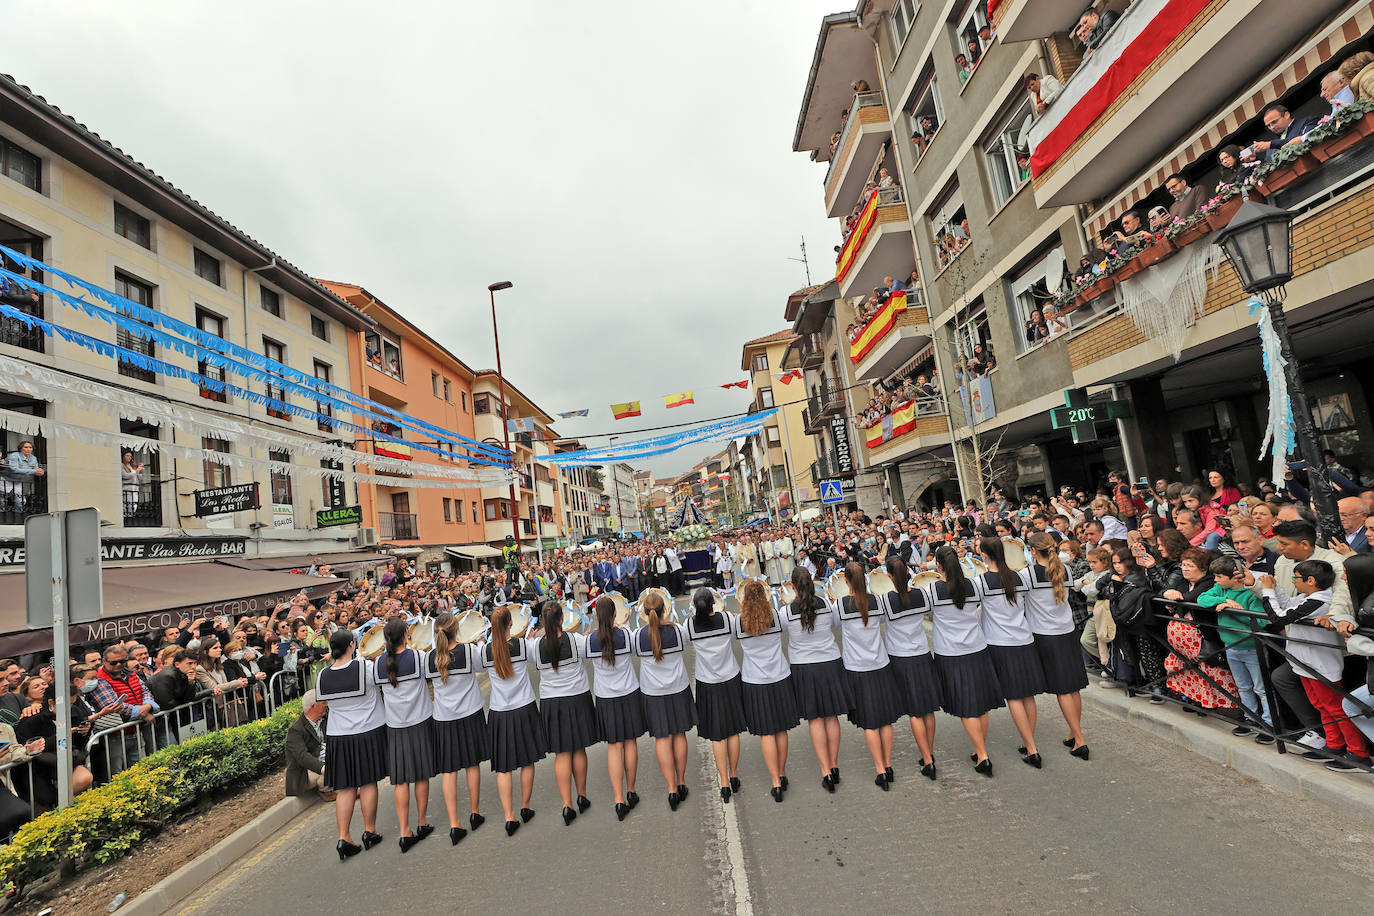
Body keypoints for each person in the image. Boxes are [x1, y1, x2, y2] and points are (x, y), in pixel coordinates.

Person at [1259, 560, 1370, 770]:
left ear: (1310, 581)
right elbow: (1290, 604)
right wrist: (1274, 588)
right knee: (1321, 706)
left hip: (1320, 664)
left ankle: (1357, 753)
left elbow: (1279, 617)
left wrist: (1267, 593)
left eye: (1296, 578)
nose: (1294, 582)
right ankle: (1335, 745)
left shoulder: (1321, 601)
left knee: (1337, 709)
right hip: (1304, 661)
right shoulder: (1308, 597)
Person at [926, 546, 1002, 775]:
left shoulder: (933, 589)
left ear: (938, 565)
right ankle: (979, 748)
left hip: (950, 653)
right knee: (980, 702)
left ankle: (982, 755)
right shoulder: (973, 584)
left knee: (966, 706)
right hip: (977, 648)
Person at [314, 629, 386, 861]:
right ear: (351, 646)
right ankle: (370, 830)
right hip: (366, 731)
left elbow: (324, 702)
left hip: (338, 736)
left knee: (345, 787)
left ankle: (343, 837)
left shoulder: (322, 675)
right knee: (367, 782)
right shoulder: (364, 667)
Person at [975, 537, 1046, 767]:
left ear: (984, 555)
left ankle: (1032, 748)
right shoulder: (1019, 576)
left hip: (1000, 643)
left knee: (1015, 696)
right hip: (1024, 639)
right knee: (1027, 695)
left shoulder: (981, 581)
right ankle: (1029, 741)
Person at [780, 566, 850, 792]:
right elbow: (833, 625)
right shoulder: (826, 605)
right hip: (830, 663)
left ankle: (825, 771)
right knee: (831, 716)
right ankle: (835, 764)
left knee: (816, 719)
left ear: (793, 587)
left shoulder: (786, 611)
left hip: (804, 667)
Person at [480, 604, 545, 835]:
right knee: (527, 760)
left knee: (504, 769)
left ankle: (509, 816)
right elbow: (536, 653)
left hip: (499, 711)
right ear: (510, 624)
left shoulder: (485, 651)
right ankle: (525, 806)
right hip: (524, 706)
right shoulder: (521, 645)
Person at [835, 562, 901, 789]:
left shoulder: (841, 605)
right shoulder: (878, 601)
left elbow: (834, 625)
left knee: (871, 724)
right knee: (884, 720)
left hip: (857, 669)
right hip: (880, 664)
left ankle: (880, 769)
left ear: (846, 581)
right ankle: (888, 764)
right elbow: (883, 621)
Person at [531, 600, 596, 825]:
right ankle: (582, 795)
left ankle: (566, 803)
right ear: (562, 619)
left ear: (542, 621)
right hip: (577, 698)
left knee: (561, 754)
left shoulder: (535, 646)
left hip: (551, 702)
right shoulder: (575, 640)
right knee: (578, 749)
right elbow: (589, 649)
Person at [425, 612, 488, 843]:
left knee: (449, 771)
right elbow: (482, 663)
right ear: (455, 630)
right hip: (470, 713)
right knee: (472, 765)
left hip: (444, 718)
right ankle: (474, 812)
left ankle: (454, 823)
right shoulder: (468, 651)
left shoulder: (428, 658)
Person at [1025, 534, 1090, 757]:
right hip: (1067, 631)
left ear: (1033, 551)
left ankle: (1079, 739)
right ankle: (1074, 733)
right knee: (1072, 687)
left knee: (1064, 689)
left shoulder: (1028, 574)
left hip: (1045, 635)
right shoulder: (1065, 569)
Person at [374, 618, 435, 852]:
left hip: (396, 726)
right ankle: (421, 822)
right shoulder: (417, 658)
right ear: (406, 634)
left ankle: (404, 831)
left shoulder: (378, 664)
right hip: (419, 721)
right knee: (421, 775)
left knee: (400, 780)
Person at [876, 555, 940, 779]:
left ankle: (928, 759)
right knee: (927, 708)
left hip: (900, 658)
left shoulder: (885, 600)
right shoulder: (921, 594)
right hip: (922, 653)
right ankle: (928, 753)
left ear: (890, 575)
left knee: (915, 711)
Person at [733, 577, 797, 801]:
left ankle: (775, 782)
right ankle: (782, 771)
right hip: (779, 676)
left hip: (755, 681)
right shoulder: (776, 617)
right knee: (781, 730)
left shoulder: (739, 622)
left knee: (767, 733)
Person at [633, 590, 696, 811]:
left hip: (653, 693)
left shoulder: (637, 636)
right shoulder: (678, 631)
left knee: (662, 739)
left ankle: (671, 789)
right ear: (664, 610)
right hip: (678, 688)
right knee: (679, 734)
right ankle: (681, 782)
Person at [1196, 557, 1272, 737]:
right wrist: (1222, 603)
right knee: (1243, 686)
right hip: (1231, 647)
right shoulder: (1220, 589)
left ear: (1235, 577)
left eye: (1219, 576)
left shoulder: (1251, 595)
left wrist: (1235, 611)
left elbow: (1260, 621)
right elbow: (1201, 598)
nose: (1215, 580)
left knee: (1262, 688)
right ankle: (1250, 717)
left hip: (1252, 649)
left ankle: (1269, 723)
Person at [585, 594, 643, 821]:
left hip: (605, 697)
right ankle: (631, 790)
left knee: (613, 747)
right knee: (629, 742)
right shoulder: (626, 635)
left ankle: (618, 798)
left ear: (596, 616)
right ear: (616, 614)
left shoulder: (589, 640)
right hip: (628, 693)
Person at [285, 690, 333, 801]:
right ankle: (328, 790)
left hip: (326, 761)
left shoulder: (325, 719)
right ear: (313, 706)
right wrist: (323, 767)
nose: (326, 704)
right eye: (323, 702)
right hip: (305, 772)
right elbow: (303, 757)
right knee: (331, 772)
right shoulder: (295, 730)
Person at [1250, 104, 1321, 164]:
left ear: (1286, 115)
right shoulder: (1270, 146)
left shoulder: (1307, 122)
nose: (1272, 127)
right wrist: (1255, 159)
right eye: (1268, 126)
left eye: (1274, 122)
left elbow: (1305, 139)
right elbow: (1269, 165)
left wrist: (1271, 144)